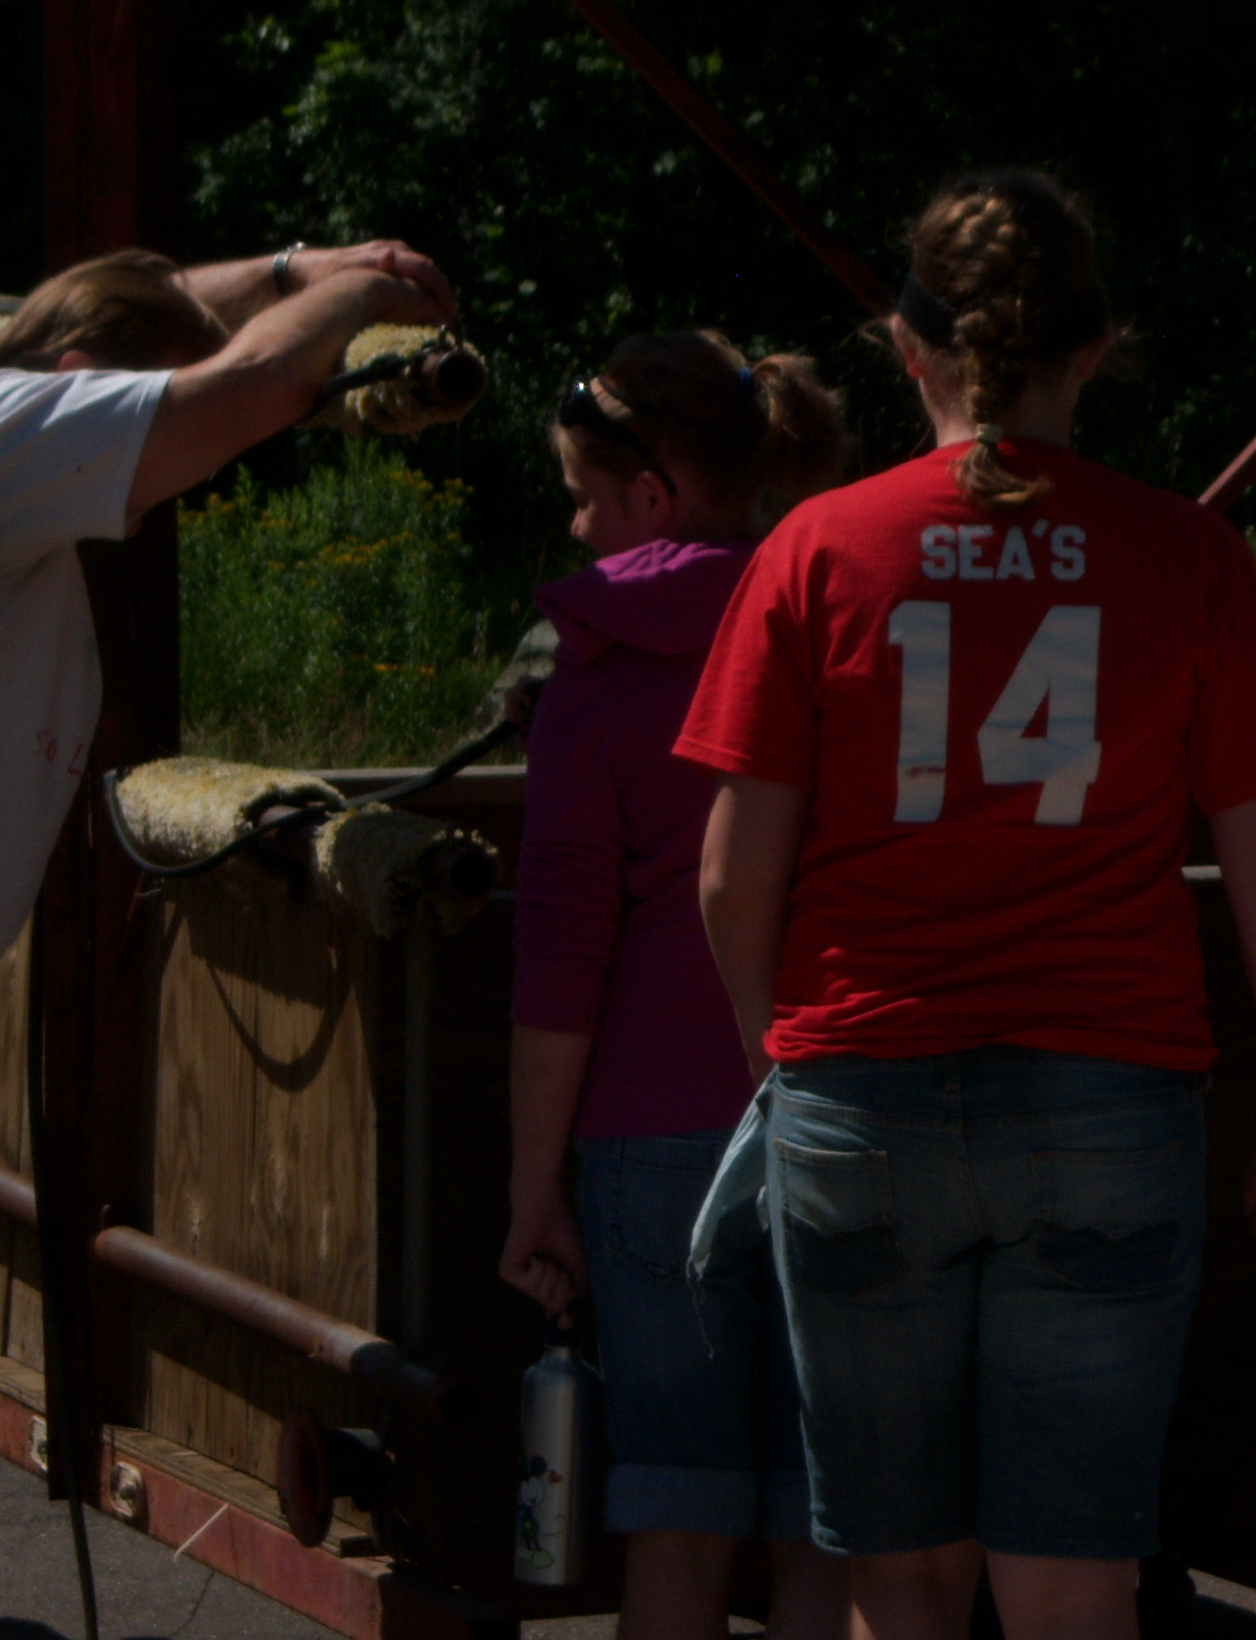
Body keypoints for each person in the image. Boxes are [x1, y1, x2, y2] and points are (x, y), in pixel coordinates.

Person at [678, 169, 1256, 1640]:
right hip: (1109, 1099)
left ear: (906, 349)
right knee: (1069, 1585)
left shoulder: (816, 549)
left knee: (901, 1577)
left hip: (860, 1087)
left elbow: (731, 876)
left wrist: (782, 1066)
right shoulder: (1190, 558)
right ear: (1094, 350)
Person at [0, 239, 454, 1639]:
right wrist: (371, 297)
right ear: (78, 386)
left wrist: (295, 266)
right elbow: (234, 395)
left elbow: (142, 317)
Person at [499, 333, 851, 1640]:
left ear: (652, 497)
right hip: (833, 1106)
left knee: (678, 1515)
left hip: (650, 1139)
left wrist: (535, 1186)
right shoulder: (835, 618)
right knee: (829, 1516)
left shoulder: (597, 669)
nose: (577, 528)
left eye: (585, 498)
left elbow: (561, 957)